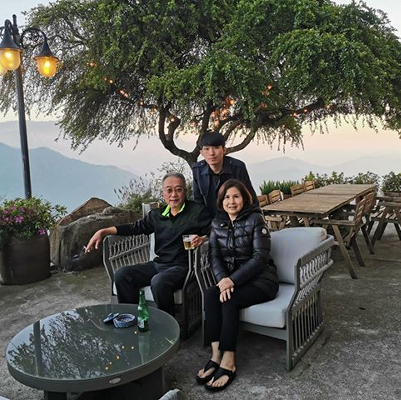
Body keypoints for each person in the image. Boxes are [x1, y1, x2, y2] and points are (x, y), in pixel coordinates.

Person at [85, 172, 211, 317]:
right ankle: (131, 318)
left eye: (178, 189)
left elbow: (214, 232)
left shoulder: (197, 212)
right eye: (169, 190)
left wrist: (203, 239)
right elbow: (134, 228)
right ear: (163, 193)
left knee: (158, 281)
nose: (173, 195)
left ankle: (167, 325)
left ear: (185, 191)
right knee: (122, 274)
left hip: (184, 266)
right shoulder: (157, 215)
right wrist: (103, 231)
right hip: (159, 264)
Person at [196, 179, 278, 392]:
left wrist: (231, 281)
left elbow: (260, 258)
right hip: (232, 280)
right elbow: (214, 257)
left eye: (236, 196)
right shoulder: (217, 223)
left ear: (244, 199)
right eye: (227, 197)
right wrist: (224, 280)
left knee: (229, 299)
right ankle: (216, 355)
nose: (231, 202)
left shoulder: (255, 219)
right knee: (210, 294)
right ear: (220, 201)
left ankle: (229, 361)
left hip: (261, 280)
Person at [192, 130, 259, 217]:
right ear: (201, 153)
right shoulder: (197, 170)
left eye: (216, 148)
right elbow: (198, 203)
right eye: (207, 149)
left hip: (237, 219)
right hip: (211, 222)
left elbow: (250, 198)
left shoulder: (237, 167)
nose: (211, 153)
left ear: (224, 150)